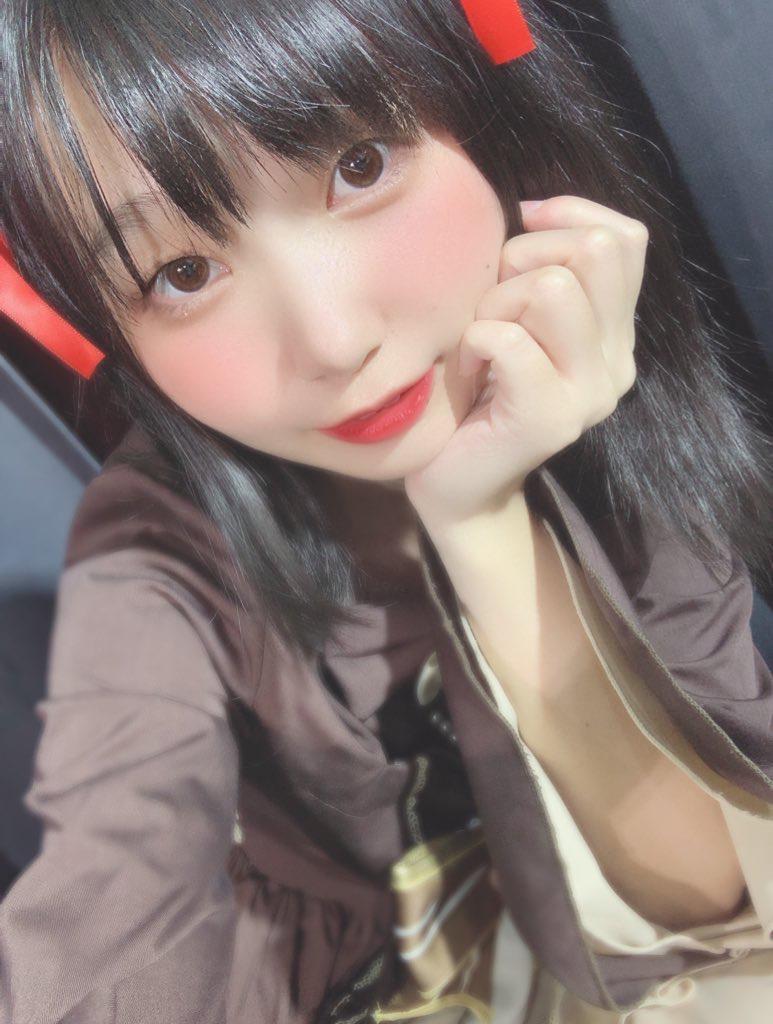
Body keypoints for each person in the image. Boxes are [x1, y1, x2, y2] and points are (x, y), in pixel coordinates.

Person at [1, 1, 772, 1022]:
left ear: (480, 111)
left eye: (357, 166)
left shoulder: (587, 373)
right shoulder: (160, 547)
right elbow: (108, 905)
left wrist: (481, 516)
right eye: (182, 274)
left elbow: (715, 894)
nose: (331, 339)